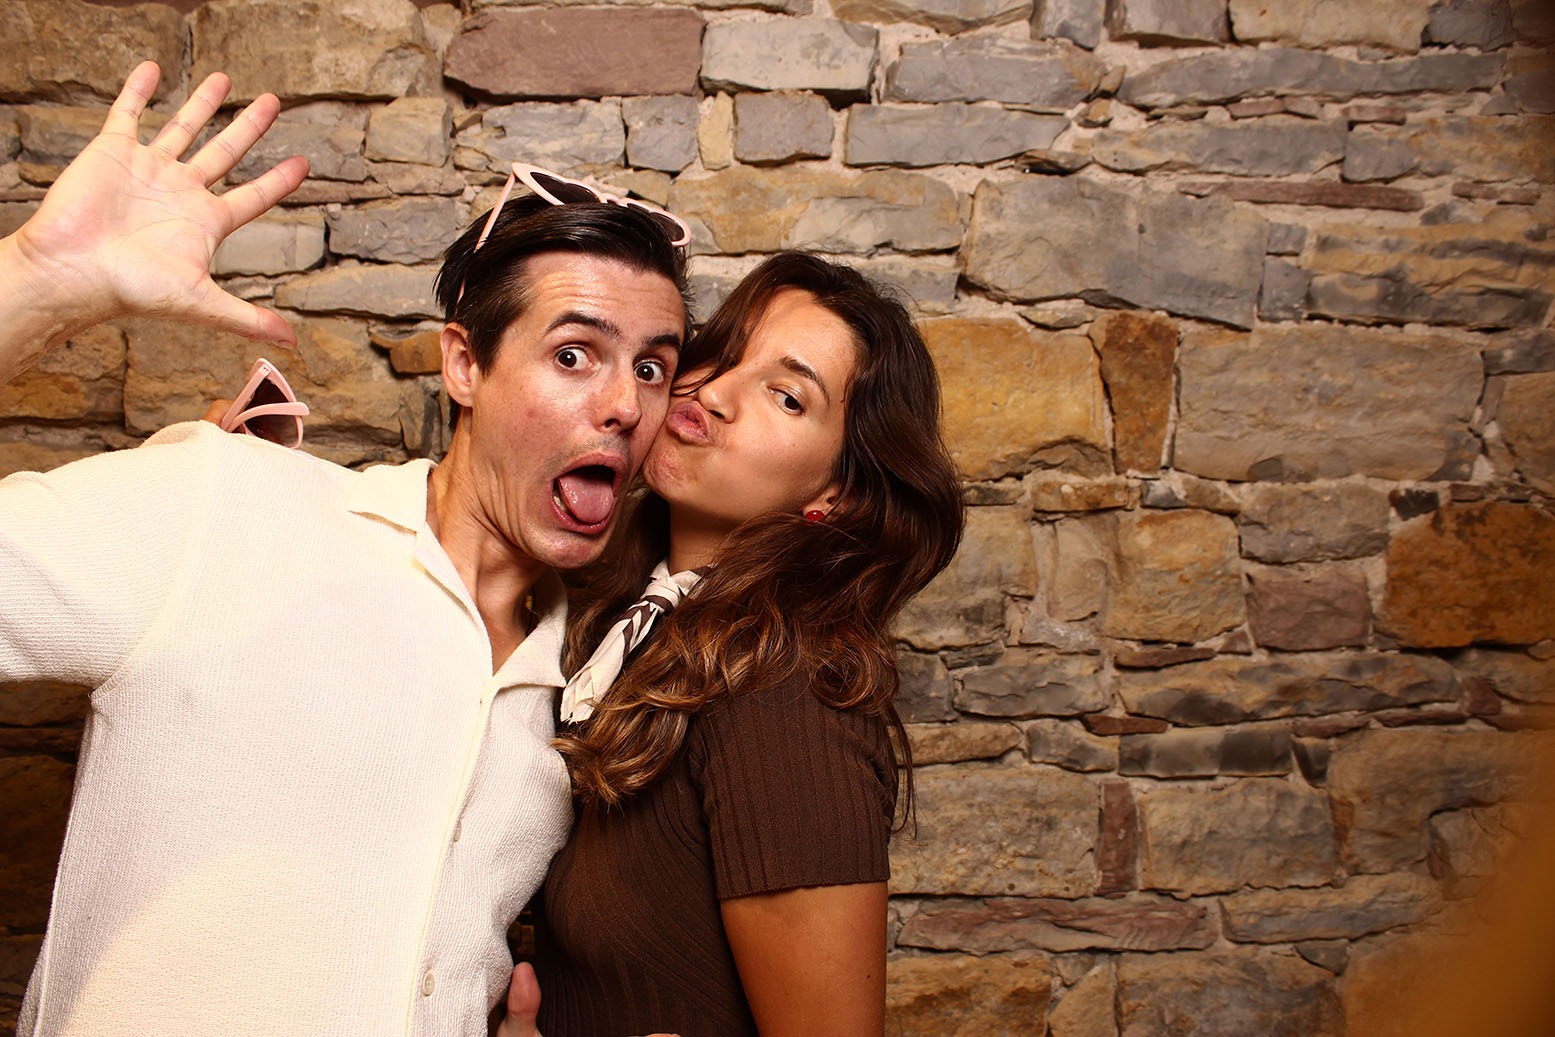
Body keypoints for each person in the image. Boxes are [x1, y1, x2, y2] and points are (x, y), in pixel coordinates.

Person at [0, 62, 690, 1035]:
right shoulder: (229, 509)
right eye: (573, 353)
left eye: (653, 366)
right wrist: (35, 284)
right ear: (464, 363)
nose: (623, 403)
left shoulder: (583, 687)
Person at [521, 251, 966, 1036]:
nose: (715, 393)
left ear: (836, 493)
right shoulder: (637, 628)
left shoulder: (788, 696)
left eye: (786, 396)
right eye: (723, 351)